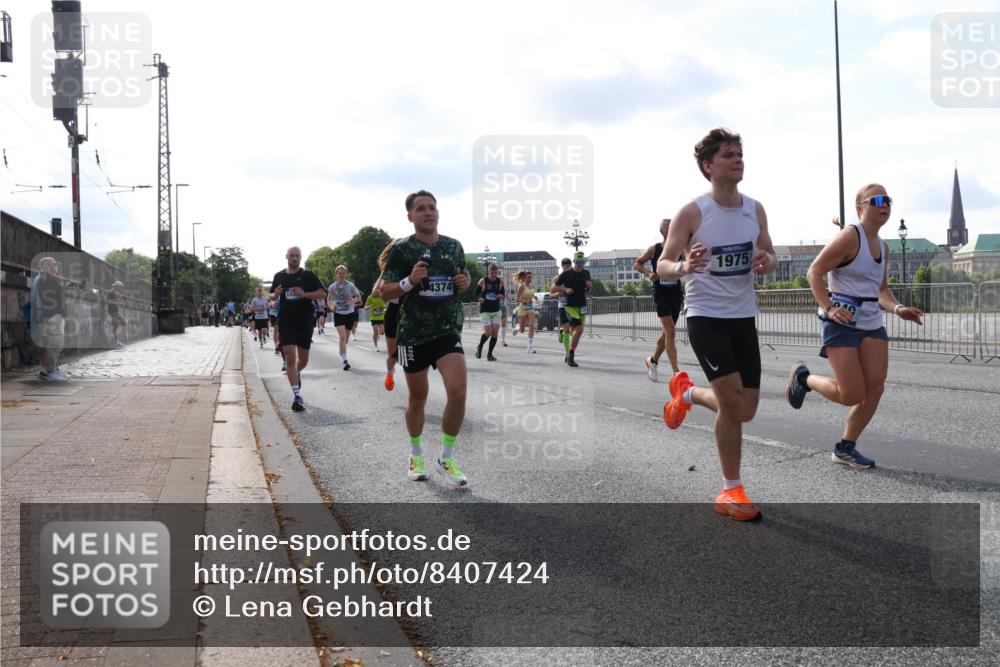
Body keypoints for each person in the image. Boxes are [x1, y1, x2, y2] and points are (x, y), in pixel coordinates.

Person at [657, 128, 778, 522]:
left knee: (746, 410)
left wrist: (767, 261)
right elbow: (663, 267)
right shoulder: (693, 212)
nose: (737, 159)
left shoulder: (754, 209)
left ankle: (687, 395)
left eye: (740, 153)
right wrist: (685, 267)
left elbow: (770, 252)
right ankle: (731, 490)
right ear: (709, 166)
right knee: (730, 402)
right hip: (707, 317)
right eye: (728, 154)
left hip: (744, 316)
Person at [786, 184, 923, 469]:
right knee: (851, 394)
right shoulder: (851, 237)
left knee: (875, 389)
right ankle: (804, 379)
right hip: (842, 323)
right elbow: (815, 271)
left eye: (889, 200)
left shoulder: (884, 248)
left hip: (872, 323)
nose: (885, 205)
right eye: (878, 200)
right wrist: (829, 307)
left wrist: (898, 309)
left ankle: (845, 447)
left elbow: (881, 290)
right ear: (860, 207)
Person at [380, 190, 471, 487]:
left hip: (446, 330)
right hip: (413, 333)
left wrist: (464, 282)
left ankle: (446, 456)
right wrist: (409, 281)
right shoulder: (403, 250)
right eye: (421, 209)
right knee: (418, 398)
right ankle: (415, 453)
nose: (428, 212)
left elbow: (464, 279)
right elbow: (384, 291)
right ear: (411, 216)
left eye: (432, 207)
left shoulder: (453, 246)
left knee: (457, 391)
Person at [271, 247, 326, 412]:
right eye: (292, 255)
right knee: (289, 358)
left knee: (303, 360)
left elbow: (322, 294)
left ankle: (295, 373)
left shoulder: (308, 275)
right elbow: (271, 296)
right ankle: (297, 396)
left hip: (304, 321)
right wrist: (275, 294)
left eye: (297, 256)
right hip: (286, 321)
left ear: (300, 258)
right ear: (286, 257)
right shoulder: (279, 276)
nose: (294, 258)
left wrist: (303, 294)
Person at [635, 219, 684, 382]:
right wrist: (648, 273)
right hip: (660, 292)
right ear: (663, 231)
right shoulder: (654, 249)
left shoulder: (680, 248)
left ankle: (653, 361)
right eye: (669, 226)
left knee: (667, 333)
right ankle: (677, 373)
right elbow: (637, 263)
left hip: (676, 292)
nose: (673, 228)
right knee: (670, 330)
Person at [31, 256, 68, 382]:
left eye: (55, 264)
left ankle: (48, 369)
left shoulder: (44, 278)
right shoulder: (44, 279)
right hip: (51, 316)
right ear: (43, 266)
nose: (54, 267)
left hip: (50, 315)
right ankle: (52, 371)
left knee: (49, 344)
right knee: (54, 344)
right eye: (51, 264)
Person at [553, 252, 592, 367]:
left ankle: (570, 354)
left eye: (583, 262)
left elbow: (588, 289)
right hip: (569, 307)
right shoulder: (566, 274)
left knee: (577, 332)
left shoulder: (586, 273)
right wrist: (566, 289)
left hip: (582, 306)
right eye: (579, 262)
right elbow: (555, 287)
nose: (581, 265)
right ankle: (571, 356)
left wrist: (589, 286)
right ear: (574, 262)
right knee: (578, 330)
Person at [375, 239, 401, 391]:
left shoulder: (414, 266)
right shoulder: (388, 271)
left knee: (416, 356)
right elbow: (375, 292)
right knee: (393, 356)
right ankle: (390, 373)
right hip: (393, 312)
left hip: (411, 314)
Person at [328, 266, 362, 370]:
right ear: (336, 274)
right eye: (340, 273)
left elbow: (359, 298)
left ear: (346, 274)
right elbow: (329, 299)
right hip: (338, 314)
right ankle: (345, 360)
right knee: (342, 337)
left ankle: (341, 351)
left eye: (343, 273)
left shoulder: (350, 285)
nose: (342, 275)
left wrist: (352, 301)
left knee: (346, 339)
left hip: (349, 313)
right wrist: (331, 307)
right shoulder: (332, 287)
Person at [475, 263, 505, 361]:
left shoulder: (500, 282)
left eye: (496, 272)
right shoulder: (483, 281)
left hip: (496, 310)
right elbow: (475, 293)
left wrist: (501, 295)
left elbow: (502, 294)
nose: (494, 274)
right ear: (489, 271)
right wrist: (479, 298)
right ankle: (479, 347)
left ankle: (489, 355)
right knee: (488, 332)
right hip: (485, 311)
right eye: (492, 272)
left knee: (495, 332)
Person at [552, 258, 573, 359]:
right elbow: (551, 294)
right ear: (562, 267)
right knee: (567, 328)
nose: (567, 268)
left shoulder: (574, 277)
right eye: (565, 266)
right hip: (562, 306)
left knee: (572, 330)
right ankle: (567, 354)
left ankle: (561, 332)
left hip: (573, 306)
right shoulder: (557, 278)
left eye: (569, 266)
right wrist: (560, 292)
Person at [513, 270, 537, 353]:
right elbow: (516, 299)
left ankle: (530, 346)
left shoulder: (531, 286)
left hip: (530, 308)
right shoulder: (522, 286)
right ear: (525, 278)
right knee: (522, 330)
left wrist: (535, 297)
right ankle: (517, 327)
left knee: (532, 325)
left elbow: (532, 295)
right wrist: (524, 301)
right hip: (522, 308)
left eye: (531, 277)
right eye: (528, 277)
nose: (530, 279)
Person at [107, 280, 127, 347]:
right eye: (119, 286)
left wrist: (121, 300)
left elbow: (114, 301)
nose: (120, 288)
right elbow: (109, 302)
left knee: (124, 323)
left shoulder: (114, 293)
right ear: (116, 286)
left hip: (116, 311)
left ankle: (113, 325)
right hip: (112, 311)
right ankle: (116, 342)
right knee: (116, 326)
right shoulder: (111, 292)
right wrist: (118, 303)